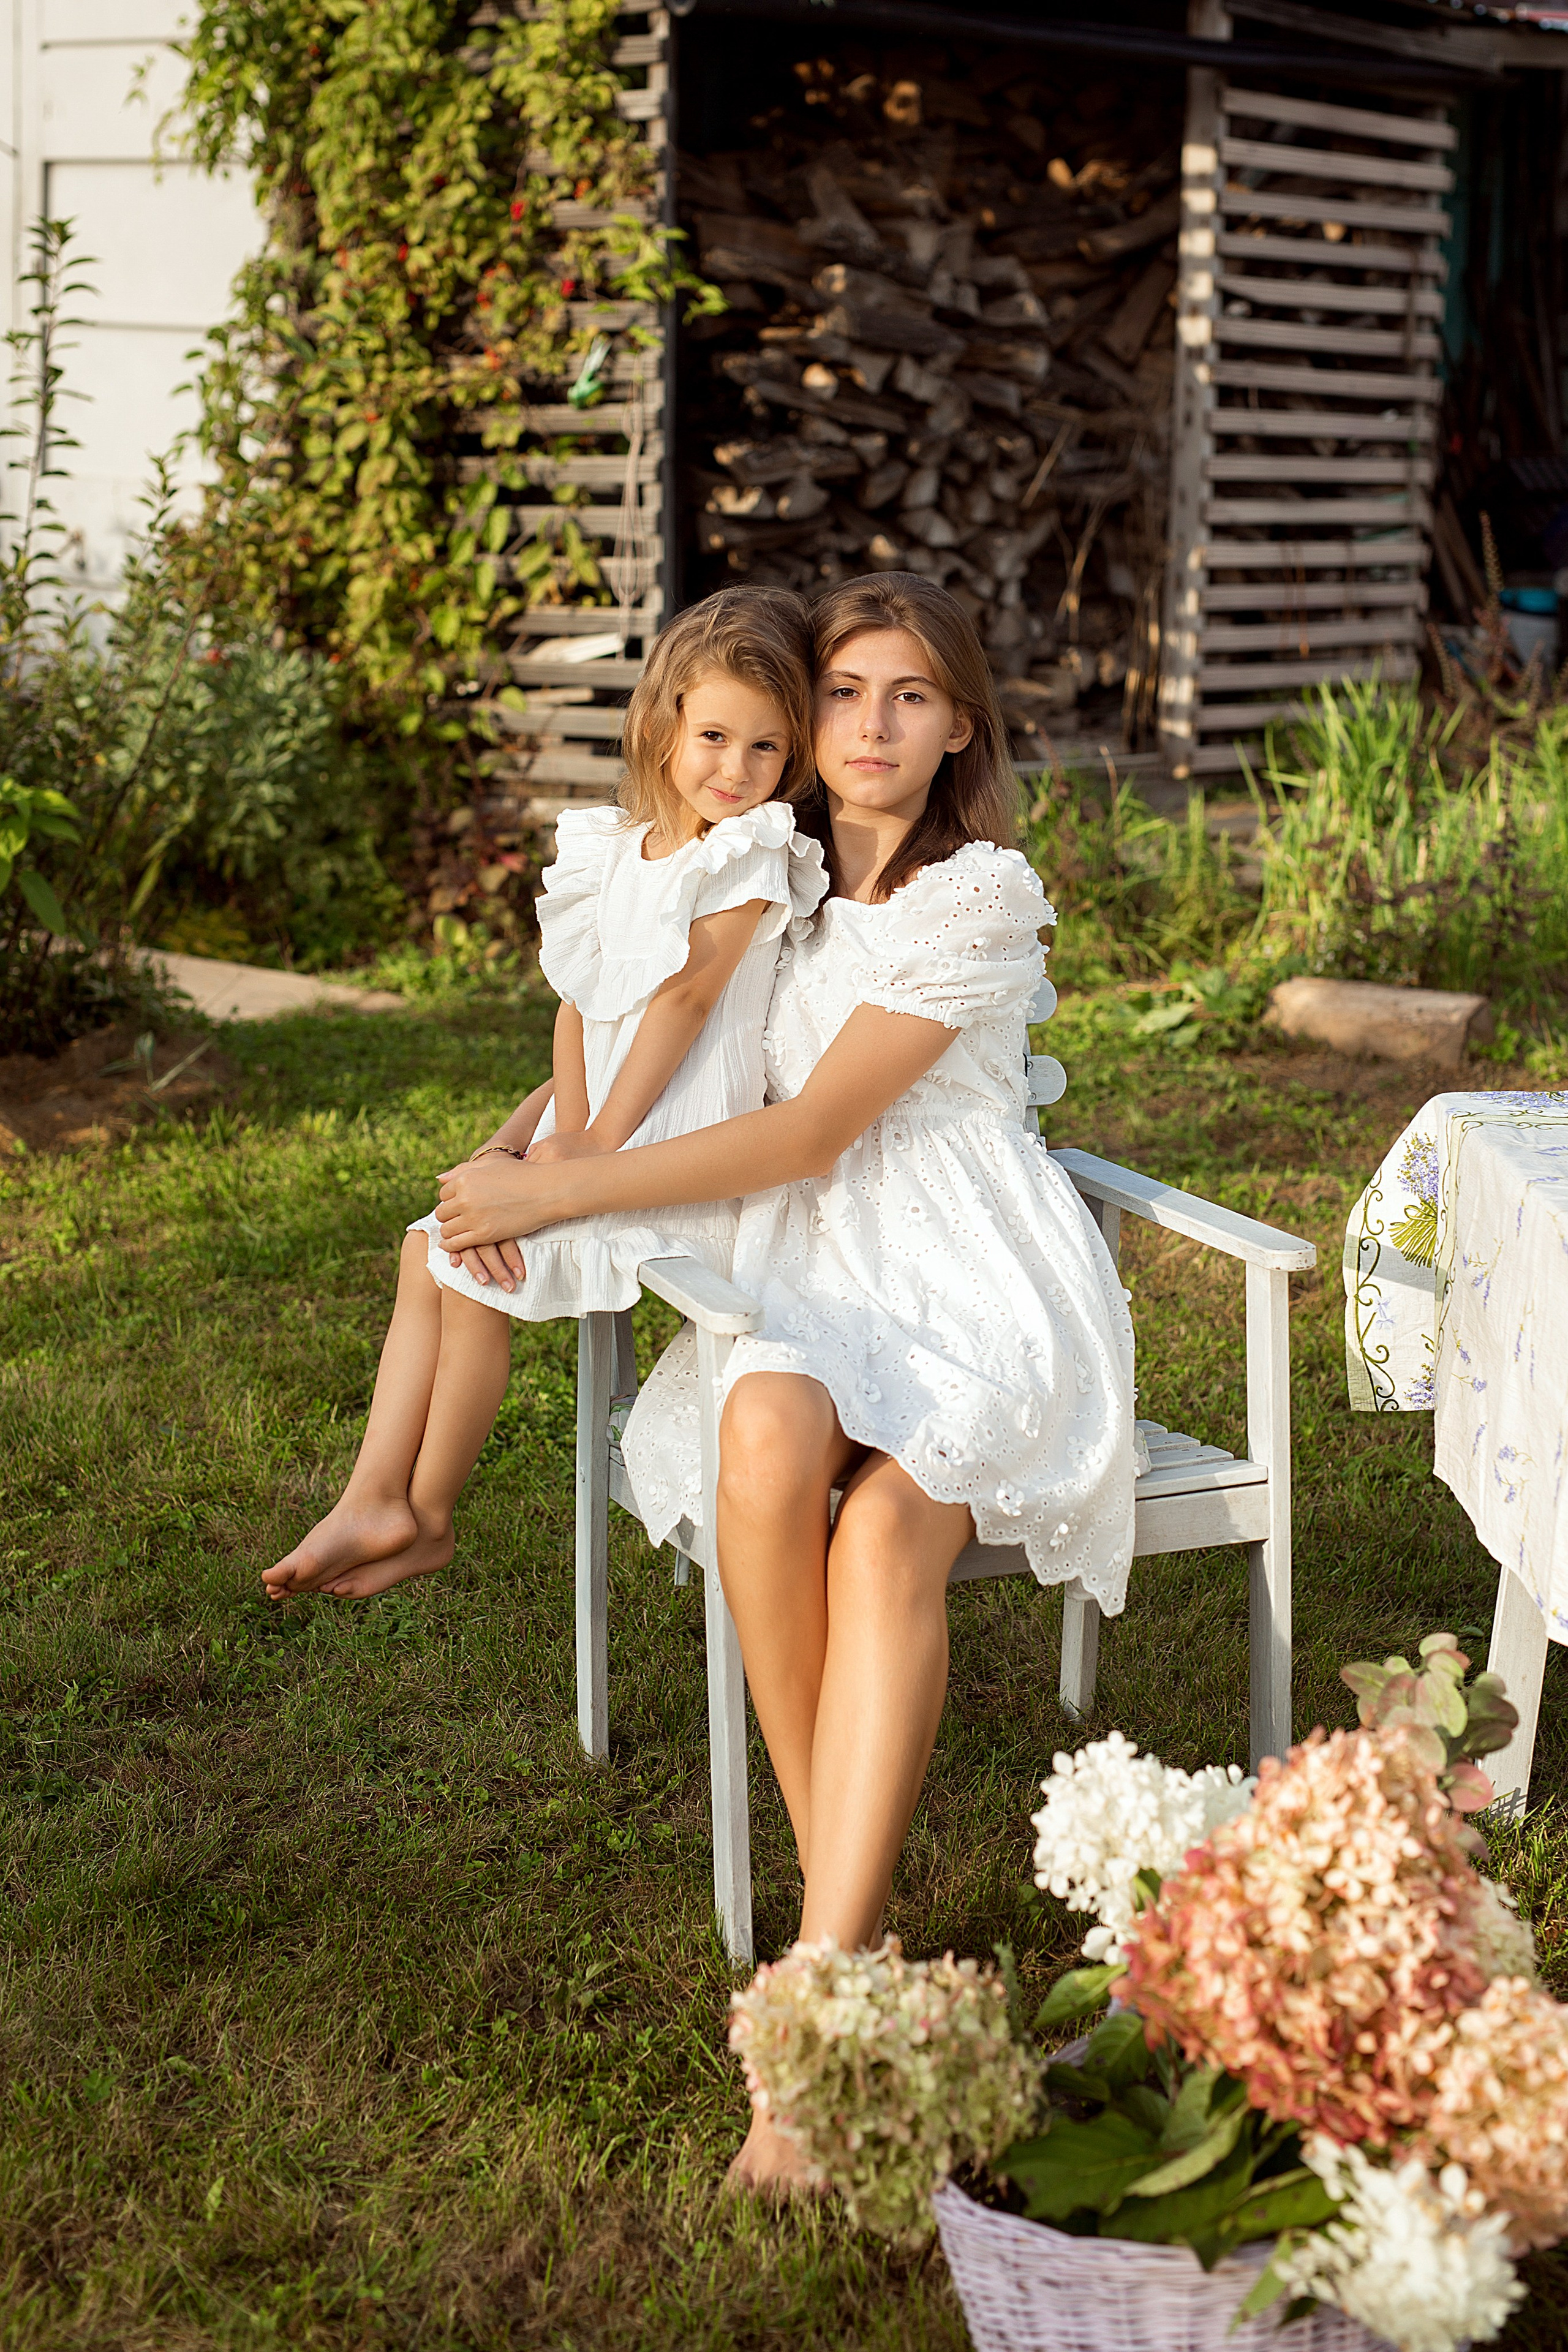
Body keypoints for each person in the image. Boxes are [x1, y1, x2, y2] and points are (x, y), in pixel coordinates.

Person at [432, 574, 1137, 2187]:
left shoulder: (981, 894)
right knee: (760, 1435)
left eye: (908, 696)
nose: (869, 726)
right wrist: (522, 1147)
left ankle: (811, 2011)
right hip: (806, 1265)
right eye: (844, 695)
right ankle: (854, 1946)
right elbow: (642, 1034)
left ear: (961, 725)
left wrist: (558, 1200)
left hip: (967, 1266)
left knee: (885, 1537)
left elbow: (822, 1130)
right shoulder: (781, 876)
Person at [263, 586, 826, 1604]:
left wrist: (599, 1148)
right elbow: (580, 1007)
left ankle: (427, 1513)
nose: (735, 771)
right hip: (602, 1138)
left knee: (478, 1274)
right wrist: (548, 1136)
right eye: (712, 736)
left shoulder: (749, 858)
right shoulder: (613, 850)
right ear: (661, 727)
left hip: (678, 1161)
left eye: (767, 750)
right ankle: (372, 1489)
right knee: (426, 1245)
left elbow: (690, 1000)